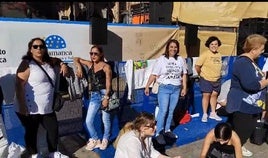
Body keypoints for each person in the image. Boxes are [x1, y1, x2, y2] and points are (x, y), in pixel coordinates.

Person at [14, 37, 69, 158]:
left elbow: (58, 59)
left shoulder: (49, 62)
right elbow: (19, 85)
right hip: (31, 107)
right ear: (30, 49)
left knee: (53, 130)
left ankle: (53, 153)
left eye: (41, 46)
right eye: (35, 46)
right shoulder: (27, 64)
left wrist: (63, 64)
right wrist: (23, 106)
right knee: (32, 132)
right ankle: (33, 155)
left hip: (47, 106)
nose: (39, 48)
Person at [225, 34, 268, 157]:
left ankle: (237, 146)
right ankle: (233, 149)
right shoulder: (243, 63)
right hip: (242, 106)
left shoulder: (250, 62)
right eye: (261, 49)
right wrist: (266, 82)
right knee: (242, 130)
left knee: (243, 130)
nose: (263, 52)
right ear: (253, 49)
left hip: (250, 105)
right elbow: (251, 85)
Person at [144, 39, 187, 145]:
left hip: (176, 88)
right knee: (163, 111)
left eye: (175, 47)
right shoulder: (161, 59)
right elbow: (154, 74)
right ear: (167, 48)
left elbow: (184, 74)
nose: (173, 49)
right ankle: (158, 132)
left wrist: (184, 87)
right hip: (164, 88)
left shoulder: (181, 59)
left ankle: (167, 130)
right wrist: (147, 86)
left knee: (171, 111)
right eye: (171, 47)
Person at [73, 45, 112, 151]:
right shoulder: (90, 64)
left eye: (96, 53)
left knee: (105, 120)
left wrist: (106, 98)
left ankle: (105, 139)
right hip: (94, 95)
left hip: (105, 94)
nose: (93, 56)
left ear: (101, 54)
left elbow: (108, 84)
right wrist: (79, 66)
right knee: (88, 120)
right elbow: (76, 58)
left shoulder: (106, 67)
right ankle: (95, 139)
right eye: (91, 53)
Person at [114, 112, 182, 158]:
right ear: (143, 128)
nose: (155, 127)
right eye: (152, 126)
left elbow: (152, 153)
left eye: (155, 124)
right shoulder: (132, 142)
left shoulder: (147, 136)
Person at [195, 36, 223, 122]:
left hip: (216, 79)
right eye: (212, 44)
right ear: (208, 45)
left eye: (216, 44)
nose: (214, 46)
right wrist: (201, 74)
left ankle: (213, 113)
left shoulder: (219, 55)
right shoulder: (205, 54)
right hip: (206, 79)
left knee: (214, 95)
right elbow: (197, 66)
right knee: (206, 95)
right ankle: (204, 114)